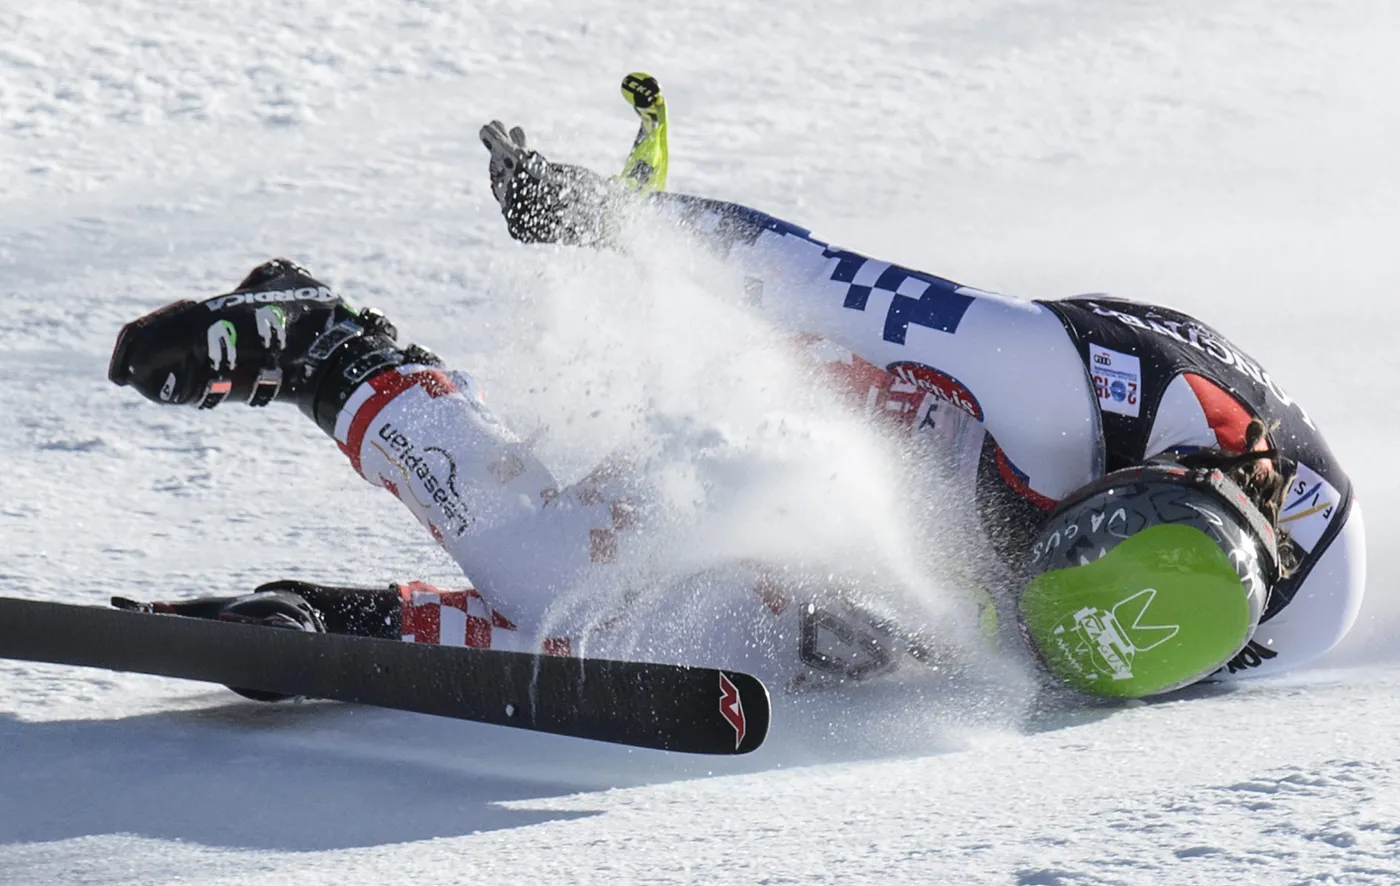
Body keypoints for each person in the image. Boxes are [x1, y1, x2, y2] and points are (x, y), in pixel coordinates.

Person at [106, 122, 1364, 702]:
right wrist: (611, 217)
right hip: (846, 416)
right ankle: (326, 349)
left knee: (716, 651)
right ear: (1121, 484)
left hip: (978, 544)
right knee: (564, 572)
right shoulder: (1047, 382)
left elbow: (1079, 649)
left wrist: (903, 640)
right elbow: (812, 281)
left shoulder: (1303, 616)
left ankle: (359, 624)